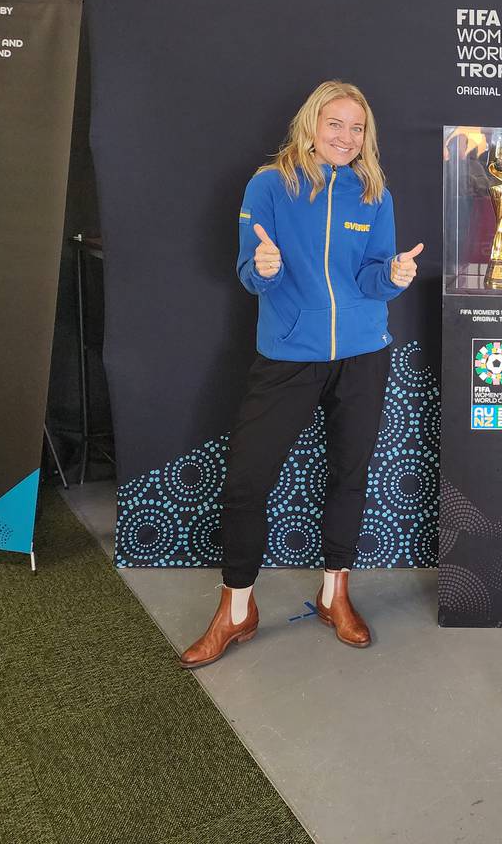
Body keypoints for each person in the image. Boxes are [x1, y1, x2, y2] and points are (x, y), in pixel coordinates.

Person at [180, 80, 423, 668]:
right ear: (311, 125)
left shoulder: (374, 191)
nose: (345, 136)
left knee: (349, 474)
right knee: (246, 481)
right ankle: (237, 608)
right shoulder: (269, 185)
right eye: (334, 123)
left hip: (364, 352)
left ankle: (333, 592)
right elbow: (250, 273)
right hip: (289, 354)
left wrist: (391, 276)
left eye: (356, 127)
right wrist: (262, 265)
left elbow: (369, 279)